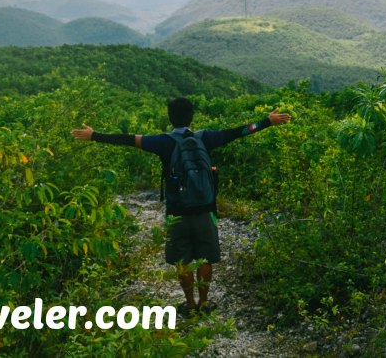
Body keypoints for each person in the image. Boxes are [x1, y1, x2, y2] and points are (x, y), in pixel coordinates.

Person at [71, 97, 291, 314]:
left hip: (177, 213)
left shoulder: (162, 142)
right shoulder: (206, 138)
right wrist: (266, 121)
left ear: (170, 118)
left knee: (182, 259)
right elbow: (240, 131)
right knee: (205, 258)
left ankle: (189, 303)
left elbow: (128, 139)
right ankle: (204, 302)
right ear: (191, 116)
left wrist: (94, 136)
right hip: (205, 210)